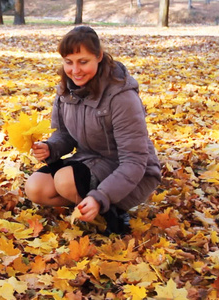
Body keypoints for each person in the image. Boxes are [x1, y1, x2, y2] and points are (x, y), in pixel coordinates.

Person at [25, 26, 161, 235]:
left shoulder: (121, 97)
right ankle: (88, 206)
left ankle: (112, 210)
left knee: (64, 181)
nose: (75, 70)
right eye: (68, 62)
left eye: (83, 62)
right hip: (89, 160)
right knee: (35, 187)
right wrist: (50, 148)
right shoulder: (65, 90)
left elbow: (134, 160)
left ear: (98, 56)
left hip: (131, 170)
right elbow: (64, 134)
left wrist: (101, 197)